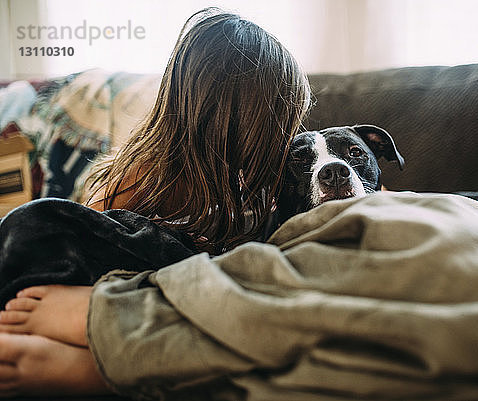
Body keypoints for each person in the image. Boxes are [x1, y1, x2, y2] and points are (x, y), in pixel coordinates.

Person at [0, 7, 311, 396]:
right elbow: (87, 241)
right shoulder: (141, 174)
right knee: (33, 225)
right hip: (104, 295)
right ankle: (63, 354)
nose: (288, 139)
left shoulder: (256, 194)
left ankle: (72, 361)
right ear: (249, 126)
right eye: (283, 124)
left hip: (155, 312)